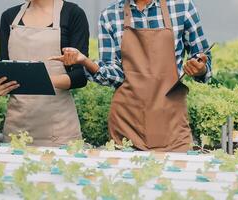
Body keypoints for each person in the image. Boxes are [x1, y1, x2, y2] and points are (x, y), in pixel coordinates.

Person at [51, 0, 212, 152]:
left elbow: (203, 57)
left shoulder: (182, 7)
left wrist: (200, 68)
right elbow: (115, 75)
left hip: (173, 125)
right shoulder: (110, 16)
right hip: (126, 125)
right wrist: (85, 61)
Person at [0, 0, 89, 146]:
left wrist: (38, 79)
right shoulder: (9, 17)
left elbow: (80, 77)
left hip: (59, 130)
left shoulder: (73, 14)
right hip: (16, 129)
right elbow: (6, 71)